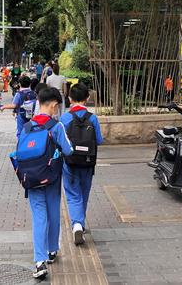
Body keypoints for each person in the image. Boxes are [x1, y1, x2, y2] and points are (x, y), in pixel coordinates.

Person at [20, 87, 73, 279]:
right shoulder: (56, 126)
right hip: (51, 178)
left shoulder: (27, 127)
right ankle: (52, 250)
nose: (57, 110)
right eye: (57, 107)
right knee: (53, 213)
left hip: (32, 179)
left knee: (39, 217)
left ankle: (39, 261)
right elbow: (68, 151)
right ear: (53, 105)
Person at [60, 83, 103, 246]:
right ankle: (80, 224)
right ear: (88, 98)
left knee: (73, 194)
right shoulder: (93, 118)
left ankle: (77, 225)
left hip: (69, 162)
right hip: (87, 162)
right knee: (84, 192)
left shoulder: (65, 118)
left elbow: (60, 141)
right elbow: (99, 140)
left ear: (70, 99)